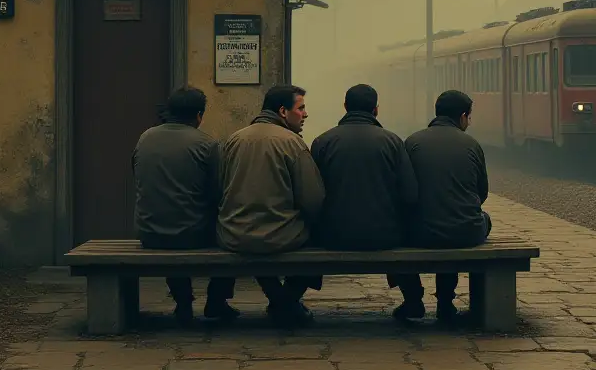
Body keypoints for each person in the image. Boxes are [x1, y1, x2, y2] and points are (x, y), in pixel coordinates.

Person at [217, 84, 325, 327]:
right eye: (301, 108)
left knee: (255, 242)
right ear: (283, 112)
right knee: (317, 240)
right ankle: (285, 301)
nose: (305, 114)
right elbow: (313, 199)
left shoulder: (234, 139)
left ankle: (278, 299)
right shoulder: (293, 143)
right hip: (280, 236)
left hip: (233, 233)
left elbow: (220, 187)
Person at [309, 83, 419, 319]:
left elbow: (312, 195)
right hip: (385, 236)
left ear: (345, 107)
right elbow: (410, 195)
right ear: (376, 109)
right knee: (406, 238)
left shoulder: (322, 142)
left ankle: (286, 299)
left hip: (332, 236)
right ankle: (413, 299)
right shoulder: (392, 141)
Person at [132, 87, 237, 328]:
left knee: (172, 217)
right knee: (232, 233)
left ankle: (183, 301)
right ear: (199, 115)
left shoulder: (145, 138)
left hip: (149, 232)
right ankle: (217, 300)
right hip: (193, 234)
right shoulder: (207, 144)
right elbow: (220, 191)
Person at [395, 90, 491, 324]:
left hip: (419, 232)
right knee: (473, 219)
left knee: (404, 229)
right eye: (469, 117)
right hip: (466, 231)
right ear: (462, 116)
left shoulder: (413, 141)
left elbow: (403, 190)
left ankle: (413, 298)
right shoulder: (472, 144)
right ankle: (445, 303)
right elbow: (482, 193)